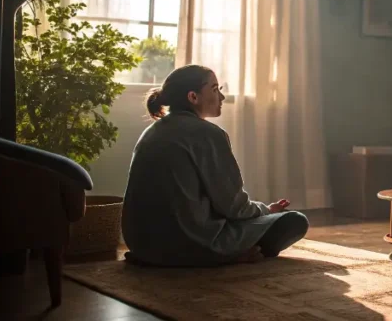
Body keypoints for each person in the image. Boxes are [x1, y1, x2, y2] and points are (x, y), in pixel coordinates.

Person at [122, 64, 309, 267]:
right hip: (188, 244)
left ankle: (210, 253)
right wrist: (267, 211)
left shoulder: (151, 132)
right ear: (193, 97)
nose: (222, 97)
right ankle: (221, 256)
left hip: (143, 246)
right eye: (214, 89)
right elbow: (233, 206)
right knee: (295, 220)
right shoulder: (208, 134)